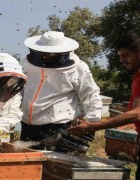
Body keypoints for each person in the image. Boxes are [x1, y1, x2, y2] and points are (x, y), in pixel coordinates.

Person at [67, 35, 140, 179]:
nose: (121, 61)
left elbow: (137, 114)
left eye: (126, 55)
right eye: (120, 56)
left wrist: (93, 126)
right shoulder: (137, 76)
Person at [19, 31, 102, 147]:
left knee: (53, 163)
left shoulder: (78, 67)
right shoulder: (26, 63)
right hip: (27, 124)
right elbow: (19, 89)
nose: (46, 56)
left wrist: (93, 121)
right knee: (27, 161)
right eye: (43, 53)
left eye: (51, 54)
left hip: (57, 126)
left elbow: (90, 93)